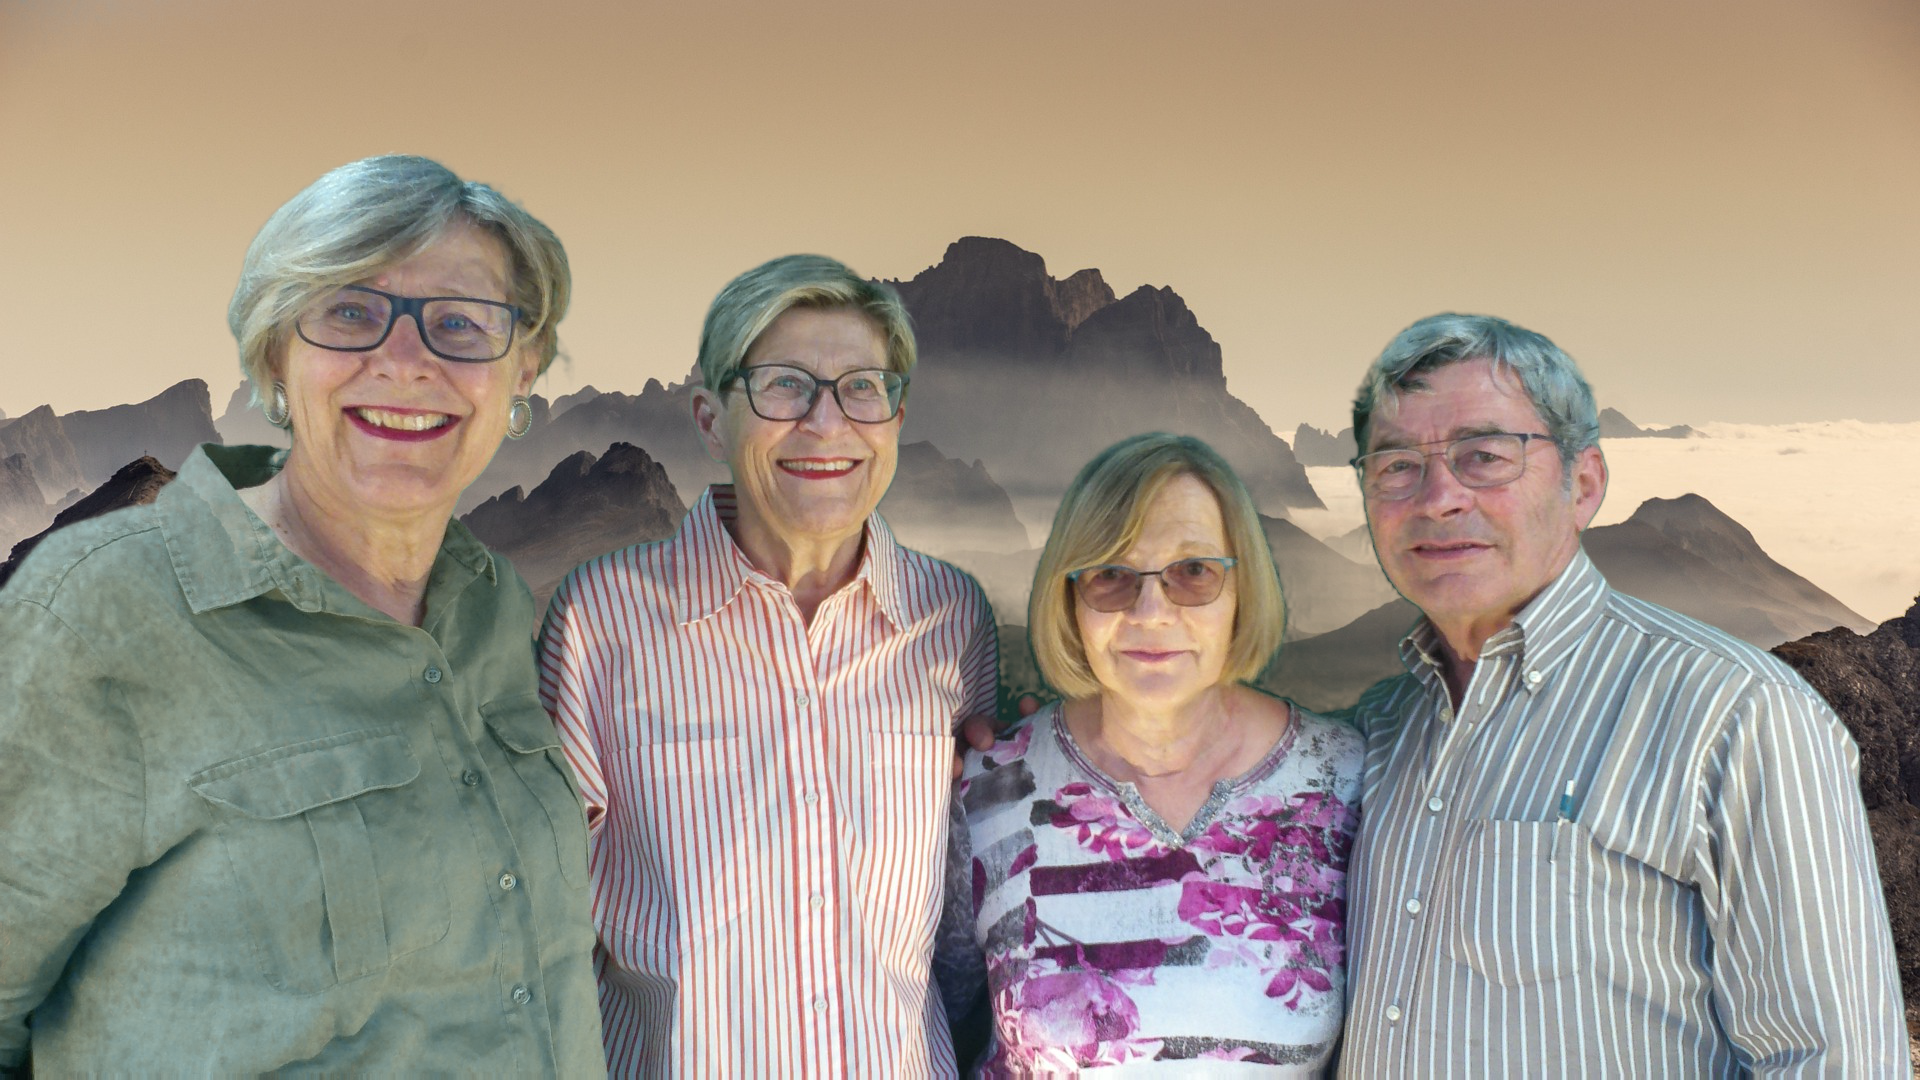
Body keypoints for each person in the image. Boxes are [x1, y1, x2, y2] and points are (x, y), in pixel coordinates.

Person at [0, 155, 603, 1074]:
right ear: (276, 353)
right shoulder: (104, 611)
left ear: (523, 369)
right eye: (350, 313)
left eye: (460, 322)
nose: (406, 362)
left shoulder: (491, 602)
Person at [1335, 313, 1907, 1074]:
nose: (1438, 496)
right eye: (1396, 465)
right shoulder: (1373, 730)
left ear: (1584, 484)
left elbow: (1834, 1060)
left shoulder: (1738, 715)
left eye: (1485, 456)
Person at [537, 254, 999, 1075]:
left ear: (895, 417)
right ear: (711, 419)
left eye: (862, 388)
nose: (826, 423)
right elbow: (544, 925)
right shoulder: (599, 619)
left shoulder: (953, 618)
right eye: (783, 386)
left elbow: (974, 902)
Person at [938, 432, 1362, 1073]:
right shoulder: (990, 787)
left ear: (1242, 588)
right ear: (1070, 598)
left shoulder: (1344, 781)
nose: (1151, 611)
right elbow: (930, 1016)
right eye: (1111, 575)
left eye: (1193, 572)